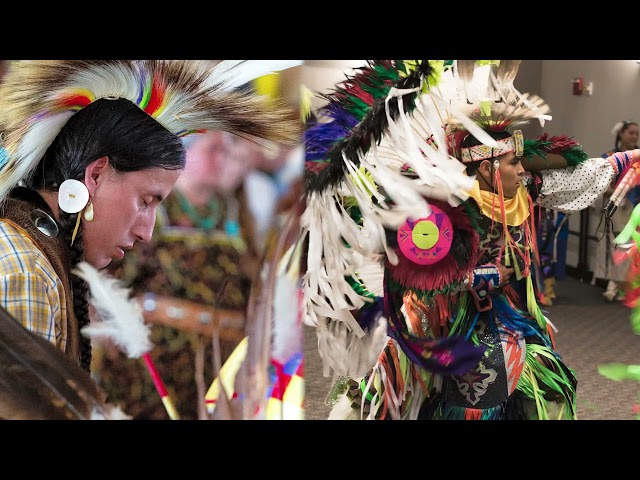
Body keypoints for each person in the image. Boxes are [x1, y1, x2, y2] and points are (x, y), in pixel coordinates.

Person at [302, 59, 640, 420]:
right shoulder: (440, 211)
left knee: (549, 392)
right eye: (514, 163)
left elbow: (577, 175)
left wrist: (627, 160)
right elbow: (421, 277)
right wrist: (491, 276)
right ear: (487, 167)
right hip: (440, 325)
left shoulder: (523, 191)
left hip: (507, 319)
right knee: (391, 401)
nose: (523, 170)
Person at [0, 60, 301, 418]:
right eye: (145, 201)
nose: (146, 231)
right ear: (95, 175)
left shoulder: (37, 263)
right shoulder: (24, 270)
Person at [91, 130, 271, 420]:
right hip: (153, 359)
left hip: (217, 359)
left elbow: (253, 274)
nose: (223, 159)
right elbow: (111, 277)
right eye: (213, 150)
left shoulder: (233, 210)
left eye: (226, 152)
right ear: (183, 153)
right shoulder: (155, 207)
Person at [593, 120, 640, 302]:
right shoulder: (610, 157)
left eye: (637, 133)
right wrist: (612, 190)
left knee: (627, 246)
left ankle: (618, 286)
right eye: (631, 133)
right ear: (621, 134)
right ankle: (613, 284)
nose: (634, 136)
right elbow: (598, 181)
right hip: (614, 206)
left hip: (634, 208)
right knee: (612, 245)